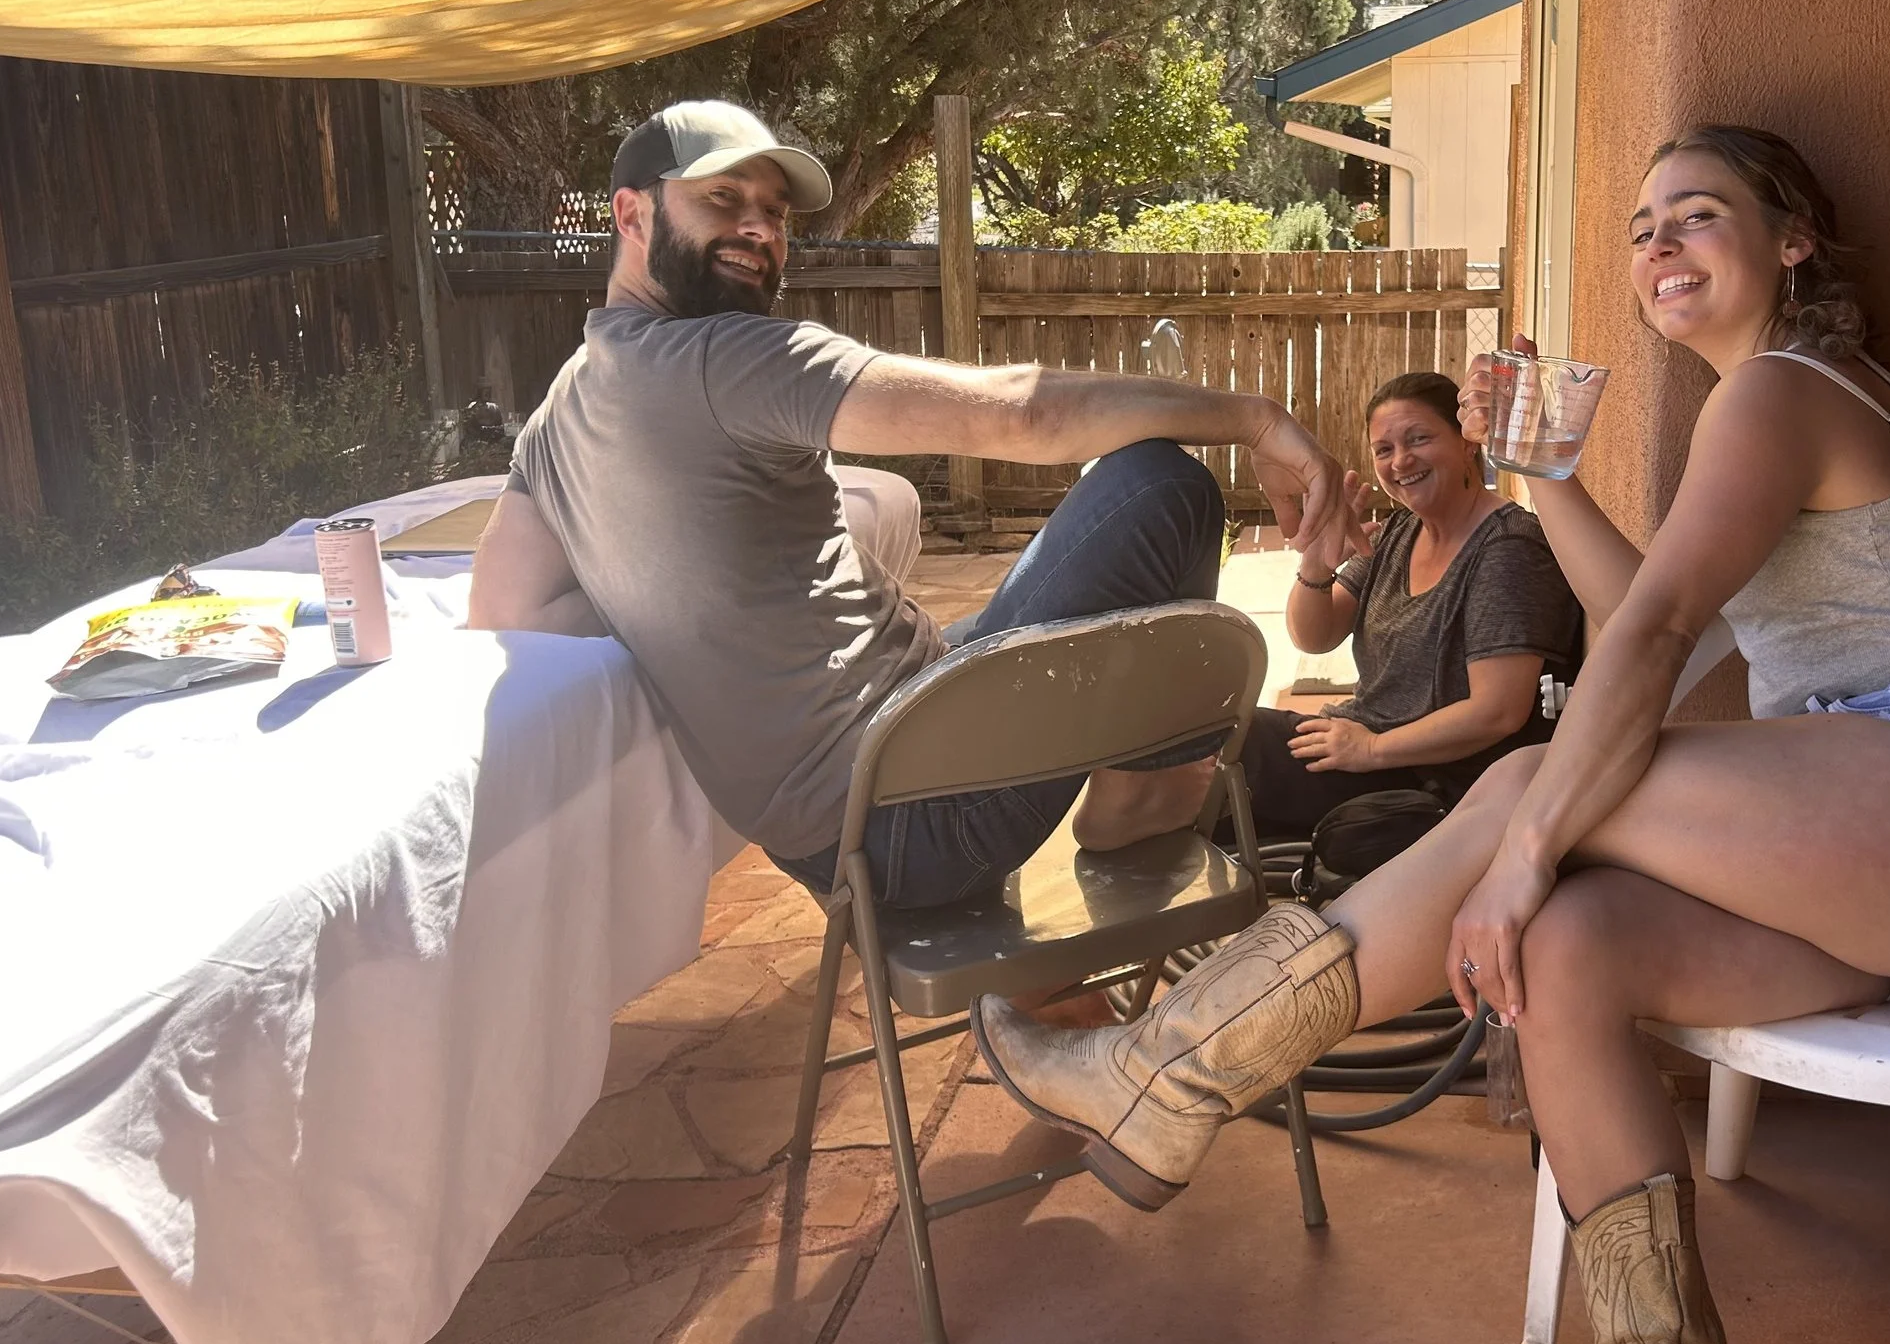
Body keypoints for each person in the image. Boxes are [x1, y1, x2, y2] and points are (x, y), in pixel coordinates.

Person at [971, 124, 1890, 1344]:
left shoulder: (1785, 386)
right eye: (1641, 227)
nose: (1658, 245)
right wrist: (1548, 476)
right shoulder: (1762, 404)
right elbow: (1639, 612)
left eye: (1697, 215)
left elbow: (1664, 626)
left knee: (1521, 788)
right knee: (1568, 952)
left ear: (1791, 243)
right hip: (1869, 856)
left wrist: (1529, 847)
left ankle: (1166, 1069)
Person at [468, 100, 1361, 908]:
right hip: (921, 814)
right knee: (1163, 487)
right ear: (632, 213)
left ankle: (1198, 758)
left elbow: (510, 613)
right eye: (722, 199)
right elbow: (1025, 411)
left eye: (774, 211)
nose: (759, 228)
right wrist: (1254, 418)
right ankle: (1143, 794)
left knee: (1104, 609)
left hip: (839, 843)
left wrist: (682, 611)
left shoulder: (557, 416)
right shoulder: (731, 356)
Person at [1241, 371, 1582, 842]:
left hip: (1429, 788)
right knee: (1218, 728)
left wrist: (1372, 749)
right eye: (1384, 449)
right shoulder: (1400, 533)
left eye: (1419, 439)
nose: (1401, 461)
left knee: (1226, 763)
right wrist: (1316, 564)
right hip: (1362, 747)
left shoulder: (1507, 549)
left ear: (1467, 443)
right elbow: (1315, 637)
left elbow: (1498, 710)